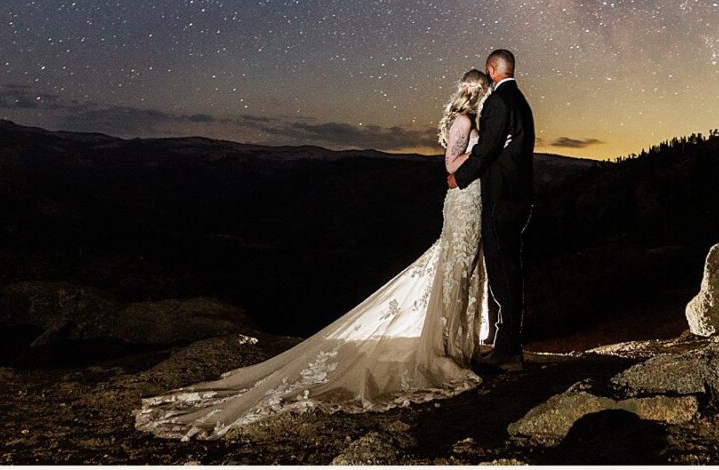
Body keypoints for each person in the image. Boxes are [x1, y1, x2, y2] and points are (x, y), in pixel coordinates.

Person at [134, 70, 492, 440]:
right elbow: (449, 165)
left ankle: (454, 342)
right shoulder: (464, 120)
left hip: (471, 200)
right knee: (453, 266)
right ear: (476, 92)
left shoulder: (472, 120)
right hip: (463, 202)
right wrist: (480, 154)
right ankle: (442, 346)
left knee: (462, 267)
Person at [447, 48, 534, 372]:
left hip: (502, 199)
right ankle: (508, 344)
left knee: (503, 272)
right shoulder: (521, 100)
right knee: (508, 268)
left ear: (491, 69)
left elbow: (486, 150)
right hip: (520, 196)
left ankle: (508, 349)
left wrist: (460, 178)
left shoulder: (499, 102)